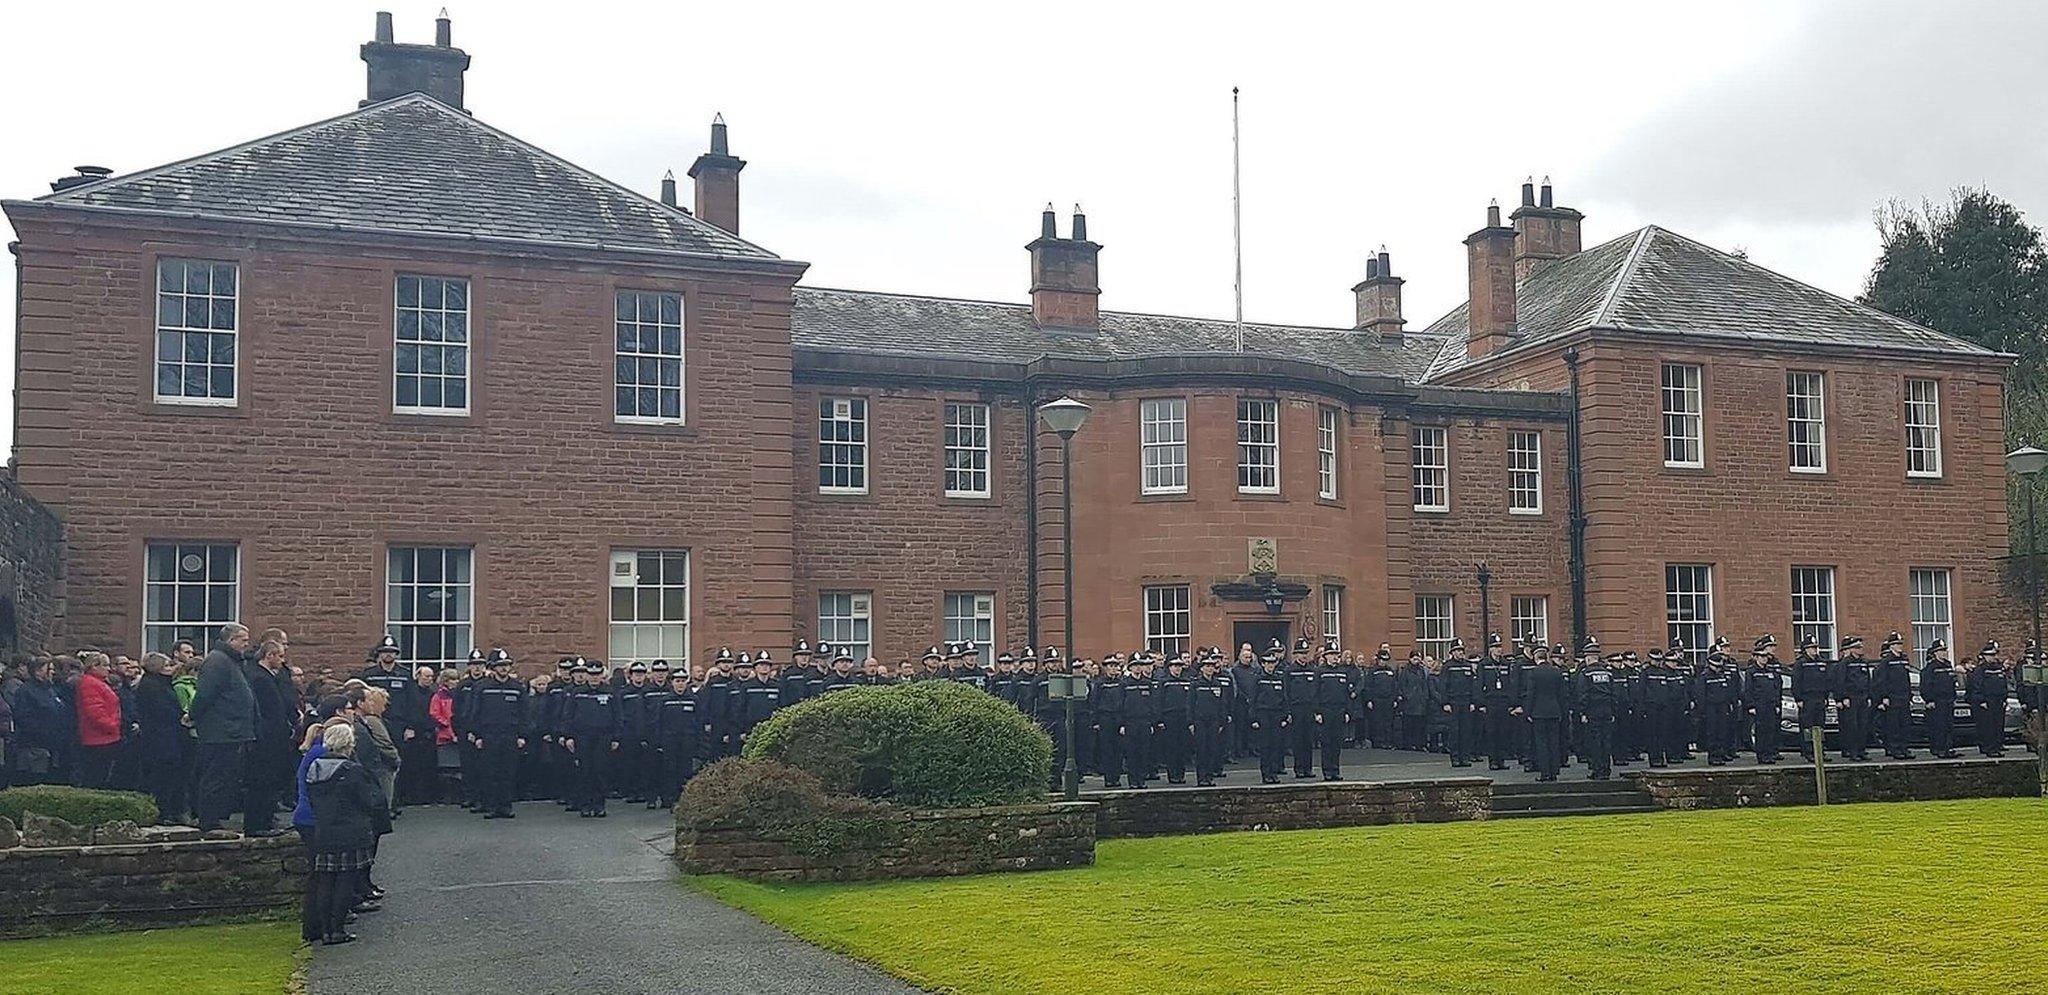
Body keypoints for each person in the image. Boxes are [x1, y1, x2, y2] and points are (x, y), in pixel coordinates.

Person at [304, 721, 389, 946]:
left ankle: (325, 931)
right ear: (349, 744)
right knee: (345, 881)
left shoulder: (315, 768)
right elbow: (369, 801)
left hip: (324, 829)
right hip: (351, 830)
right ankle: (337, 929)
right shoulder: (352, 770)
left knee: (326, 880)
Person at [190, 624, 257, 832]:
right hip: (220, 732)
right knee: (214, 776)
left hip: (231, 730)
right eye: (243, 639)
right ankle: (208, 821)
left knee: (224, 776)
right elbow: (205, 694)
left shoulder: (231, 661)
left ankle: (214, 818)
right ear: (231, 640)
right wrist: (192, 716)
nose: (247, 644)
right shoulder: (217, 661)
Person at [245, 639, 297, 833]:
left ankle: (265, 820)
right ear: (270, 656)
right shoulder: (260, 678)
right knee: (262, 781)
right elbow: (270, 711)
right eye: (280, 656)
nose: (283, 661)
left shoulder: (265, 677)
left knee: (269, 781)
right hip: (266, 739)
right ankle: (258, 824)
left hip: (272, 737)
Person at [471, 649, 528, 819]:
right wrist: (477, 735)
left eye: (506, 665)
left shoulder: (517, 688)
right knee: (490, 772)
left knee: (508, 772)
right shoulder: (482, 687)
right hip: (489, 735)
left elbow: (524, 713)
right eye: (500, 666)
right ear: (493, 668)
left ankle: (506, 805)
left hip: (510, 735)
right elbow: (476, 712)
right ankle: (491, 806)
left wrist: (522, 736)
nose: (504, 669)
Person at [134, 652, 188, 821]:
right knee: (161, 777)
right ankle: (161, 812)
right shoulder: (151, 686)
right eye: (166, 666)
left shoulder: (162, 684)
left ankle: (169, 810)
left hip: (168, 737)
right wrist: (181, 717)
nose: (171, 669)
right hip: (159, 738)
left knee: (170, 776)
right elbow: (161, 711)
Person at [564, 657, 621, 817]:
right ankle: (585, 805)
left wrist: (616, 737)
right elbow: (568, 715)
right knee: (585, 770)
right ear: (587, 675)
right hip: (583, 736)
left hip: (604, 736)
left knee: (601, 771)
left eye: (597, 674)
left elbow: (618, 716)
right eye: (591, 674)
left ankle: (599, 804)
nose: (594, 677)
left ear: (602, 674)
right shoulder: (577, 693)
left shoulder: (610, 692)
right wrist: (568, 736)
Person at [73, 652, 124, 789]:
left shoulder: (97, 683)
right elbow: (95, 712)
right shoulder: (90, 683)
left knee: (102, 775)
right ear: (94, 666)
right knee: (96, 777)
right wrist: (113, 725)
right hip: (98, 738)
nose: (109, 669)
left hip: (104, 736)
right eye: (105, 665)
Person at [1520, 643, 1568, 781]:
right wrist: (1561, 712)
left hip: (1538, 712)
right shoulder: (1556, 672)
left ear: (1536, 658)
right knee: (1554, 742)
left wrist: (1527, 713)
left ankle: (1545, 773)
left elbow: (1531, 694)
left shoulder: (1533, 673)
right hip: (1554, 711)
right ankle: (1554, 772)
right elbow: (1562, 695)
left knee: (1541, 743)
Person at [357, 687, 402, 820]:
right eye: (383, 703)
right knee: (384, 798)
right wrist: (395, 758)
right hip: (383, 764)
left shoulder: (371, 720)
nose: (385, 708)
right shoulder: (373, 721)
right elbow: (384, 743)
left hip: (380, 763)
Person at [1743, 636, 1788, 764]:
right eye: (1761, 657)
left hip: (1770, 705)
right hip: (1759, 705)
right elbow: (1749, 690)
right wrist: (1751, 705)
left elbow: (1775, 689)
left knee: (1771, 731)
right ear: (1756, 657)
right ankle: (1761, 755)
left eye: (1765, 657)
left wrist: (1777, 704)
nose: (1764, 659)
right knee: (1761, 731)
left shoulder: (1770, 671)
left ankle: (1769, 754)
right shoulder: (1752, 672)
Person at [1832, 636, 1876, 762]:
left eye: (1860, 647)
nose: (1860, 649)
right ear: (1851, 649)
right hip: (1851, 697)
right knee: (1852, 726)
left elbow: (1868, 680)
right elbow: (1840, 681)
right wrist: (1843, 697)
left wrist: (1869, 696)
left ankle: (1861, 750)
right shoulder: (1845, 663)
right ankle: (1853, 751)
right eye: (1857, 647)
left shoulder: (1863, 662)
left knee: (1863, 725)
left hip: (1862, 696)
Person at [1312, 641, 1351, 780]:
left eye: (1336, 654)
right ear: (1326, 656)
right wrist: (1317, 712)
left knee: (1337, 742)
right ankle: (1327, 771)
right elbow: (1315, 693)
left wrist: (1347, 711)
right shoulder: (1320, 671)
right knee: (1327, 742)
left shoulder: (1343, 672)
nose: (1335, 657)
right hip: (1326, 710)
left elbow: (1346, 693)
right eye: (1332, 655)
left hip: (1339, 710)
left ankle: (1335, 770)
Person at [1248, 648, 1288, 784]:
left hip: (1276, 714)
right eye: (1268, 663)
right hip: (1263, 714)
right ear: (1263, 664)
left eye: (1273, 663)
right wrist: (1253, 718)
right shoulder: (1258, 680)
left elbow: (1284, 699)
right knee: (1265, 746)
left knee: (1276, 745)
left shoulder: (1279, 679)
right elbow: (1252, 699)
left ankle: (1274, 772)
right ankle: (1266, 774)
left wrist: (1284, 716)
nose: (1271, 666)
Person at [1477, 634, 1516, 771]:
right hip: (1490, 702)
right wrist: (1481, 704)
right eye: (1496, 647)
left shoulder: (1506, 664)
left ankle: (1501, 760)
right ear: (1491, 649)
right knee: (1492, 732)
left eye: (1500, 647)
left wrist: (1512, 703)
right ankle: (1493, 760)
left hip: (1504, 702)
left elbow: (1511, 685)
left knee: (1503, 732)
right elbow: (1479, 684)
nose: (1499, 650)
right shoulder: (1484, 664)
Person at [1874, 631, 1915, 761]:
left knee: (1905, 724)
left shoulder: (1904, 660)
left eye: (1900, 644)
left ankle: (1904, 747)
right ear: (1891, 646)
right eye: (1896, 644)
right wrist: (1884, 696)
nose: (1899, 646)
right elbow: (1882, 680)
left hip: (1903, 697)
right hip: (1892, 698)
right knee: (1894, 725)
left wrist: (1910, 695)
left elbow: (1906, 679)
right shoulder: (1887, 661)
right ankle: (1894, 748)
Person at [1190, 654, 1229, 787]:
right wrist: (1190, 722)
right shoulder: (1195, 684)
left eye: (1212, 666)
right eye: (1207, 666)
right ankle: (1201, 778)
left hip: (1214, 721)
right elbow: (1190, 704)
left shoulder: (1217, 684)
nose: (1209, 669)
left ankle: (1209, 777)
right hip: (1200, 721)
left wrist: (1222, 722)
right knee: (1201, 750)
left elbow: (1222, 704)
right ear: (1201, 669)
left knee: (1212, 749)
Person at [1120, 653, 1159, 789]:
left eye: (1139, 665)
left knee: (1144, 752)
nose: (1137, 668)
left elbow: (1152, 705)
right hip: (1130, 722)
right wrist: (1122, 724)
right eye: (1135, 666)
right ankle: (1133, 781)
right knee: (1132, 753)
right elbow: (1120, 705)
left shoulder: (1147, 684)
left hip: (1144, 722)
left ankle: (1141, 780)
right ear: (1130, 668)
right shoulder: (1124, 684)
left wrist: (1152, 723)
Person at [1283, 639, 1320, 778]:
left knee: (1308, 740)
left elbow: (1316, 691)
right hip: (1296, 709)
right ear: (1295, 654)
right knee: (1298, 740)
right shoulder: (1290, 671)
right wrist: (1288, 711)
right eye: (1301, 653)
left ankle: (1308, 768)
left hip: (1309, 709)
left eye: (1306, 652)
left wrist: (1316, 710)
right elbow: (1286, 693)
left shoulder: (1313, 670)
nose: (1304, 655)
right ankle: (1299, 768)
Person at [1156, 654, 1194, 784]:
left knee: (1182, 747)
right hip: (1169, 717)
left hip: (1183, 716)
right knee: (1171, 747)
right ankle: (1172, 774)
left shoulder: (1187, 681)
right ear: (1169, 667)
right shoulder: (1164, 682)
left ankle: (1181, 774)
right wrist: (1160, 720)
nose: (1177, 669)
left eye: (1179, 666)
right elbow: (1159, 702)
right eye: (1175, 666)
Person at [1966, 642, 2009, 757]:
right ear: (1984, 656)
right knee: (1988, 726)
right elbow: (1976, 686)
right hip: (1987, 701)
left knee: (1997, 725)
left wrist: (2005, 698)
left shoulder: (1998, 668)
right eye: (1990, 655)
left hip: (1998, 701)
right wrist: (1981, 701)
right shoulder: (1980, 670)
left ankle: (1996, 747)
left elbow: (2003, 684)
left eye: (1994, 655)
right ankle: (1989, 748)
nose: (1993, 657)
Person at [1441, 640, 1478, 767]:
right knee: (1455, 731)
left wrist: (1473, 701)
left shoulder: (1468, 665)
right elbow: (1443, 686)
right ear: (1452, 652)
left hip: (1466, 701)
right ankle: (1455, 757)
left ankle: (1465, 757)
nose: (1460, 653)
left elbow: (1472, 685)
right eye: (1457, 650)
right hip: (1453, 702)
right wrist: (1445, 702)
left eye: (1462, 650)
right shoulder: (1447, 666)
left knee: (1466, 731)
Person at [1920, 639, 1959, 759]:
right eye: (1940, 651)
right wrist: (1929, 700)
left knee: (1949, 725)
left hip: (1948, 700)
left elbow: (1952, 682)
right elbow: (1926, 685)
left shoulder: (1948, 665)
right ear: (1935, 653)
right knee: (1939, 726)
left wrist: (1954, 697)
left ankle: (1949, 747)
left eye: (1944, 651)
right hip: (1937, 701)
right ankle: (1939, 748)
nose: (1943, 653)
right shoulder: (1931, 668)